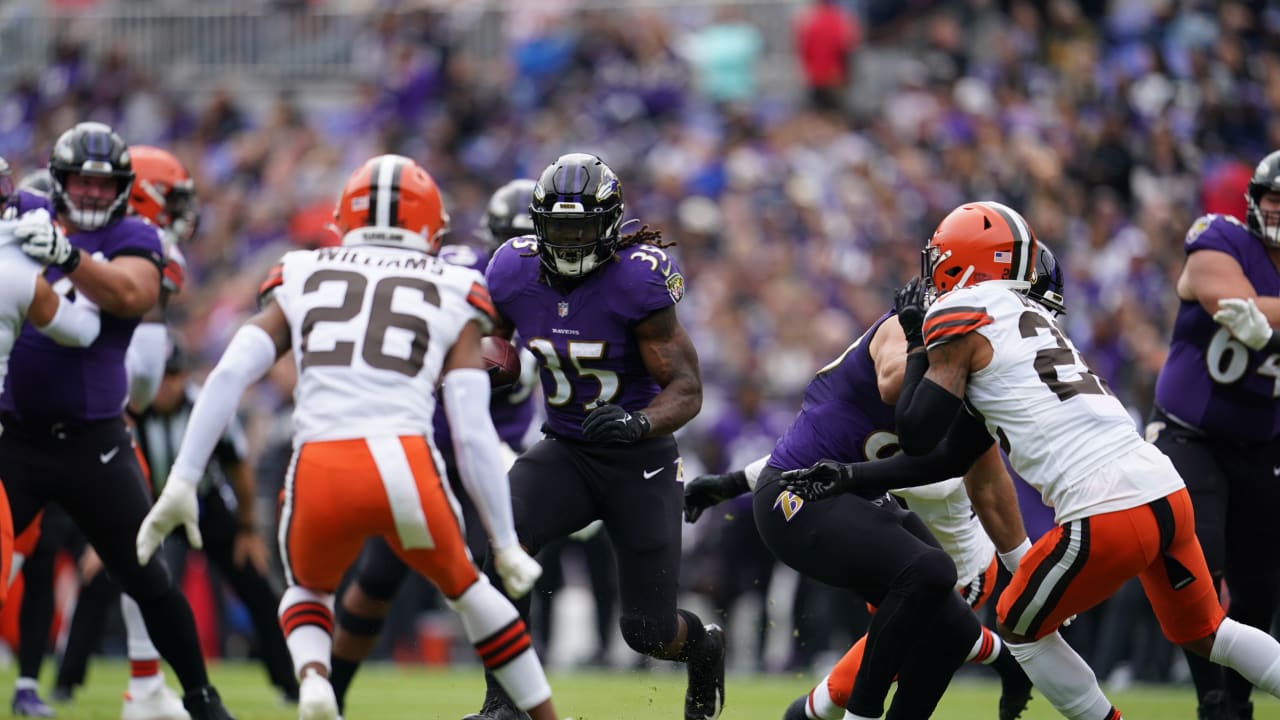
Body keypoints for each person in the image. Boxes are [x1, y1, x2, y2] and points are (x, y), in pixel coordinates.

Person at [135, 154, 561, 720]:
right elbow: (471, 428)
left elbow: (230, 373)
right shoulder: (456, 284)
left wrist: (183, 479)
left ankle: (315, 680)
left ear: (345, 217)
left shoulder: (302, 270)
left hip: (320, 465)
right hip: (407, 463)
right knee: (472, 592)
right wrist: (504, 541)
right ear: (429, 223)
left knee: (308, 593)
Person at [879, 200, 1280, 720]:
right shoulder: (1032, 317)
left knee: (1015, 623)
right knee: (1209, 633)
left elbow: (915, 432)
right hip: (1162, 484)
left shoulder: (963, 311)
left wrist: (914, 340)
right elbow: (956, 448)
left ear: (961, 262)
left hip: (1106, 506)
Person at [685, 251, 1063, 720]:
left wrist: (1028, 577)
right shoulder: (911, 335)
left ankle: (820, 712)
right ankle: (833, 714)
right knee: (929, 582)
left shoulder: (973, 376)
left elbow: (985, 486)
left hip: (906, 530)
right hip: (824, 503)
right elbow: (871, 412)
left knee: (943, 625)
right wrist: (728, 482)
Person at [464, 152, 720, 720]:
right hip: (568, 448)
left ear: (609, 226)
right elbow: (489, 339)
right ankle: (503, 703)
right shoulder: (510, 269)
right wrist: (483, 360)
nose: (572, 241)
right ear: (538, 225)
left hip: (640, 459)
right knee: (503, 546)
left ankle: (705, 649)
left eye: (583, 227)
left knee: (648, 632)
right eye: (559, 228)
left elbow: (686, 388)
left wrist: (639, 421)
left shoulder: (638, 279)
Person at [0, 123, 235, 720]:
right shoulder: (27, 212)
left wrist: (67, 255)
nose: (94, 194)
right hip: (14, 438)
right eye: (82, 181)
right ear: (58, 181)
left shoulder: (138, 236)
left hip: (93, 442)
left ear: (125, 190)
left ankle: (203, 699)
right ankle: (27, 682)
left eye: (106, 185)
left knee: (146, 577)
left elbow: (131, 295)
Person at [327, 178, 543, 715]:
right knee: (376, 577)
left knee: (503, 566)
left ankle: (506, 705)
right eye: (508, 240)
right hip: (429, 446)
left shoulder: (558, 293)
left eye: (529, 240)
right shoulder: (457, 273)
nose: (516, 253)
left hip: (495, 458)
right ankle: (327, 693)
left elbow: (516, 374)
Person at [1147, 148, 1280, 720]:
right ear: (1255, 200)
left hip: (1263, 444)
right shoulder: (1220, 236)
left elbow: (1256, 312)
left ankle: (1240, 699)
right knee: (1200, 558)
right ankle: (1213, 698)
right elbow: (1221, 294)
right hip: (1189, 434)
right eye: (1277, 199)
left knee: (1260, 584)